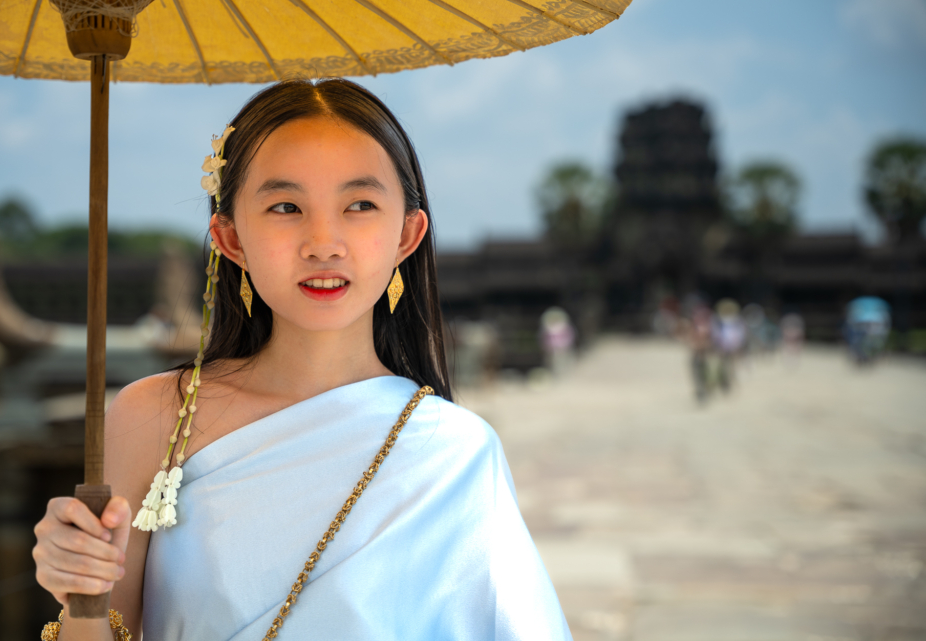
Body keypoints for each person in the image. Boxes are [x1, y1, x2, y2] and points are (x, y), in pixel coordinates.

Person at [31, 79, 571, 640]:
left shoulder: (456, 452)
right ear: (229, 237)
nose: (323, 241)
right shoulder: (156, 418)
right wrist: (80, 596)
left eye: (360, 205)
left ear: (407, 235)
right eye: (286, 206)